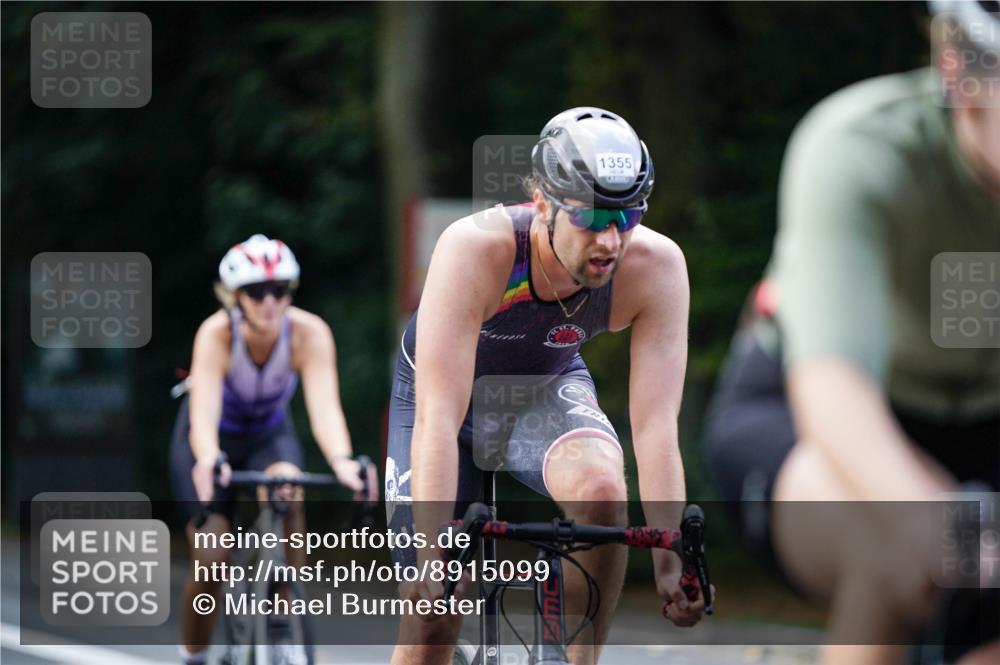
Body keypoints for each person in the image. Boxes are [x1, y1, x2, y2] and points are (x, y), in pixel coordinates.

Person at [705, 2, 999, 664]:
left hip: (984, 422)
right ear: (960, 76)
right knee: (898, 547)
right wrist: (959, 536)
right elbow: (835, 390)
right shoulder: (860, 145)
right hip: (806, 413)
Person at [385, 107, 711, 665]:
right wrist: (431, 553)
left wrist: (669, 560)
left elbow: (656, 426)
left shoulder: (656, 266)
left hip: (542, 387)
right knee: (432, 623)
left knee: (604, 494)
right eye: (591, 215)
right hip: (440, 407)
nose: (611, 240)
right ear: (542, 203)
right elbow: (439, 416)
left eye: (627, 216)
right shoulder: (475, 249)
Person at [168, 234, 375, 665]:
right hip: (210, 439)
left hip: (266, 435)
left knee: (288, 490)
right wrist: (208, 459)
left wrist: (341, 462)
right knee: (212, 556)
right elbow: (202, 412)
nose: (268, 301)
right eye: (255, 292)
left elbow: (325, 409)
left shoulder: (309, 333)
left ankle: (284, 618)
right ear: (234, 296)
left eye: (278, 290)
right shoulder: (217, 333)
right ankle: (194, 655)